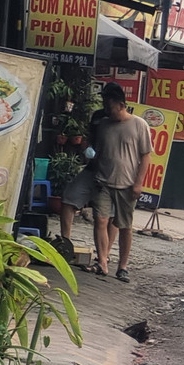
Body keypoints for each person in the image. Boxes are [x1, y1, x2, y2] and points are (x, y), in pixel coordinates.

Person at [89, 82, 153, 282]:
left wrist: (138, 183)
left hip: (127, 184)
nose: (107, 110)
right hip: (103, 181)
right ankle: (102, 261)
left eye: (110, 106)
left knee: (125, 225)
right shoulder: (103, 125)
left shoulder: (139, 125)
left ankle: (123, 266)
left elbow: (146, 156)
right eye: (105, 106)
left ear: (121, 105)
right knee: (100, 219)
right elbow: (98, 151)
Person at [56, 106, 108, 258]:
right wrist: (88, 148)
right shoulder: (97, 119)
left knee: (107, 216)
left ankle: (104, 255)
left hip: (111, 175)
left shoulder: (121, 126)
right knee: (69, 197)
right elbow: (89, 141)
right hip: (92, 170)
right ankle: (65, 243)